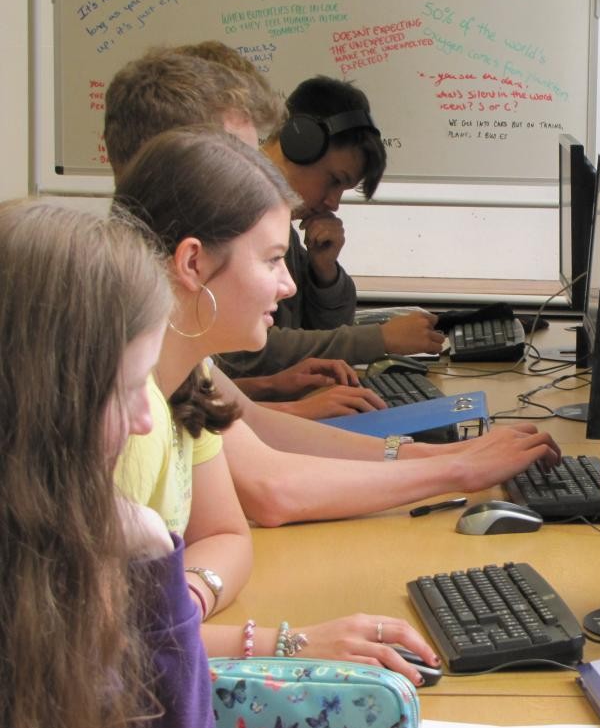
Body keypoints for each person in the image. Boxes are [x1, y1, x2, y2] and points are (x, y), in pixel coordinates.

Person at [112, 128, 559, 673]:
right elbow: (103, 644)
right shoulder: (123, 418)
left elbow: (225, 536)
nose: (288, 284)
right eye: (272, 260)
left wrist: (187, 600)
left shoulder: (183, 374)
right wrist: (284, 645)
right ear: (192, 263)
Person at [0, 200, 211, 728]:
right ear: (44, 403)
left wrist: (150, 550)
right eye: (125, 391)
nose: (147, 420)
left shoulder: (48, 554)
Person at [105, 46, 383, 420]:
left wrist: (271, 388)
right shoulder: (123, 332)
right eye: (237, 160)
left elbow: (208, 407)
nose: (287, 284)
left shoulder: (162, 321)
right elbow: (257, 465)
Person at [216, 74, 445, 382]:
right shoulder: (234, 217)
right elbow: (247, 353)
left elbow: (317, 338)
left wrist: (323, 274)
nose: (334, 203)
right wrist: (379, 339)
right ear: (300, 144)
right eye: (335, 180)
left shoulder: (281, 228)